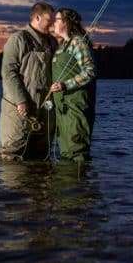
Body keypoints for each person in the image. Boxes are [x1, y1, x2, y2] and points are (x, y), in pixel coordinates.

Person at [0, 2, 57, 160]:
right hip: (19, 112)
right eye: (49, 19)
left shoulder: (52, 42)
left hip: (44, 112)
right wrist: (21, 100)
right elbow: (8, 72)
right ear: (37, 17)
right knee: (12, 155)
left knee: (41, 158)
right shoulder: (18, 39)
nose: (53, 23)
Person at [49, 8, 97, 162]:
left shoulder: (78, 42)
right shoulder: (62, 46)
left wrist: (65, 85)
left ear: (66, 22)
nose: (53, 23)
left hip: (76, 106)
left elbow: (90, 71)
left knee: (77, 149)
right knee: (65, 149)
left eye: (57, 19)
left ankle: (79, 185)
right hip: (62, 107)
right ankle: (67, 184)